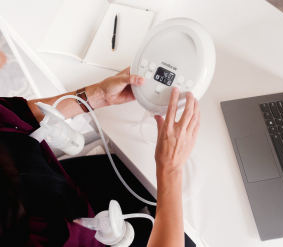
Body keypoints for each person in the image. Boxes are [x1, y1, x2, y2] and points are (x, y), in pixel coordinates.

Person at [0, 67, 200, 247]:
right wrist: (170, 170)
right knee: (190, 235)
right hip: (79, 232)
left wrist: (96, 95)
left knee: (137, 171)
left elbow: (13, 116)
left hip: (55, 187)